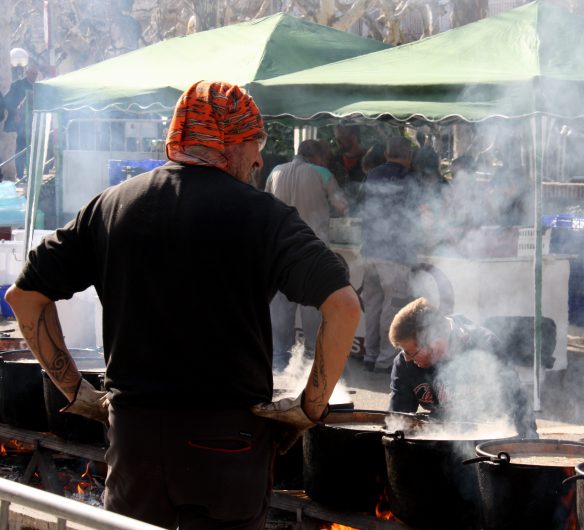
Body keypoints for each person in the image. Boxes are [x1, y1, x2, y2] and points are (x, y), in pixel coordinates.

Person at [5, 80, 360, 530]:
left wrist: (74, 390)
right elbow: (344, 306)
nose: (258, 159)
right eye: (254, 142)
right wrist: (310, 408)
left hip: (136, 444)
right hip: (227, 446)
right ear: (226, 142)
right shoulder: (264, 215)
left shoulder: (111, 206)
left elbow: (24, 297)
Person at [387, 297, 538, 439]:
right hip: (440, 439)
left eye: (410, 352)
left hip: (484, 438)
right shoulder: (404, 363)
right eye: (402, 351)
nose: (406, 358)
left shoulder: (484, 346)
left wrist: (529, 442)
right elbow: (399, 420)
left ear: (434, 342)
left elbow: (517, 398)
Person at [265, 139, 349, 370]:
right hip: (313, 249)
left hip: (279, 249)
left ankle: (280, 359)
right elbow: (343, 206)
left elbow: (266, 203)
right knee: (313, 304)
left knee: (280, 305)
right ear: (318, 156)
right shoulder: (321, 172)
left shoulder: (275, 171)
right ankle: (311, 358)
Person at [360, 136, 420, 373]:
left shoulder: (372, 175)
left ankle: (370, 355)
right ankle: (385, 361)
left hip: (370, 251)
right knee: (392, 307)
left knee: (373, 307)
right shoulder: (409, 178)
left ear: (386, 154)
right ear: (409, 156)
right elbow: (420, 213)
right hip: (395, 254)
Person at [3, 65, 38, 180]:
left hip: (34, 122)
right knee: (22, 148)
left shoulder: (37, 87)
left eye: (36, 74)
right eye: (32, 74)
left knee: (33, 148)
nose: (34, 76)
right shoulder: (17, 85)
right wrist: (15, 114)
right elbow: (7, 102)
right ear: (26, 73)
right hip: (21, 123)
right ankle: (20, 175)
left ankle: (32, 174)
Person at [330, 123, 368, 208]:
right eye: (336, 138)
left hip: (363, 211)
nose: (338, 142)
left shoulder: (369, 159)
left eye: (341, 138)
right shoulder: (334, 161)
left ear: (354, 138)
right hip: (339, 214)